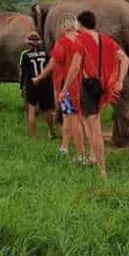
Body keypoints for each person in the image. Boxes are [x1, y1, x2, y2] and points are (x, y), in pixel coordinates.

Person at [71, 10, 129, 176]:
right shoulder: (106, 39)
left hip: (88, 86)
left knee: (94, 128)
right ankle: (93, 156)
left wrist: (64, 87)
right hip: (103, 86)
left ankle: (102, 169)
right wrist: (119, 80)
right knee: (88, 122)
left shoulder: (80, 40)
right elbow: (125, 59)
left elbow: (75, 67)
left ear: (80, 23)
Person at [33, 14, 85, 160]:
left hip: (67, 86)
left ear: (63, 26)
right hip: (81, 84)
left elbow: (53, 63)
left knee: (75, 119)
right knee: (68, 117)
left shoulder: (62, 42)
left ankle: (81, 155)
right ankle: (64, 147)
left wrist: (40, 77)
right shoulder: (82, 40)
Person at [19, 31, 56, 140]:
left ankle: (33, 137)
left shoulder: (25, 55)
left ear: (29, 43)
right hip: (46, 83)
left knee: (31, 110)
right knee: (48, 110)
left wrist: (21, 87)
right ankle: (51, 131)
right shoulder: (46, 53)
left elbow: (23, 73)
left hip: (31, 84)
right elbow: (50, 69)